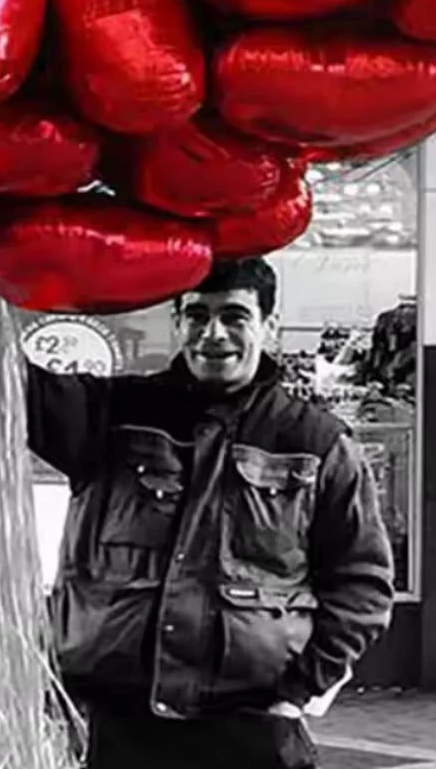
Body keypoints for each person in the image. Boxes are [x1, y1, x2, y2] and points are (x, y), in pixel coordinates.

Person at [25, 257, 394, 769]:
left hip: (251, 724)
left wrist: (298, 691)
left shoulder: (315, 442)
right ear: (177, 322)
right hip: (116, 723)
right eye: (197, 315)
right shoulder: (109, 415)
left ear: (268, 324)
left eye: (234, 316)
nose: (213, 334)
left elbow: (362, 585)